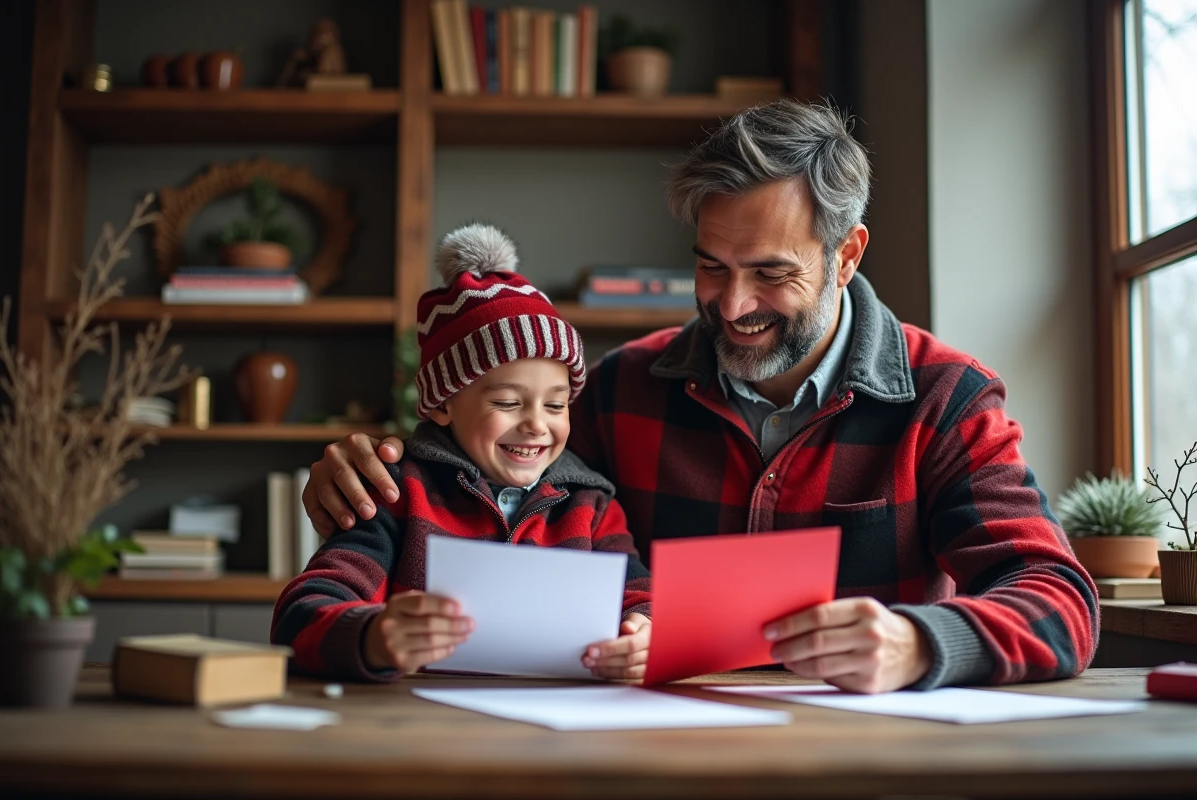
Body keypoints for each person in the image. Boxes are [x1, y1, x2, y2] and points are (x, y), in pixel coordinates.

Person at [300, 100, 1098, 694]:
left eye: (772, 273)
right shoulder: (618, 392)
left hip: (863, 764)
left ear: (847, 254)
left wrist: (921, 645)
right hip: (648, 758)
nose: (733, 303)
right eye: (712, 266)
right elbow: (482, 486)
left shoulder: (944, 399)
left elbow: (1060, 601)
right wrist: (362, 480)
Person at [272, 224, 652, 682]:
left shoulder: (592, 509)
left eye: (556, 405)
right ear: (444, 405)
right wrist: (371, 636)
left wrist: (645, 635)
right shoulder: (395, 495)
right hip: (423, 731)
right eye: (508, 403)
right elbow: (301, 613)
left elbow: (641, 600)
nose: (536, 423)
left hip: (561, 737)